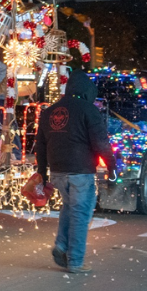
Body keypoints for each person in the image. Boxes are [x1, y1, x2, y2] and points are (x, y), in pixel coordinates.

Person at [34, 71, 117, 274]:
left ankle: (62, 245)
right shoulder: (88, 110)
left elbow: (41, 146)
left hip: (58, 171)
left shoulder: (49, 112)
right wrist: (112, 167)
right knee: (81, 214)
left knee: (69, 208)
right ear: (87, 91)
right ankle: (75, 261)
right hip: (80, 171)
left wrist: (42, 174)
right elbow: (100, 143)